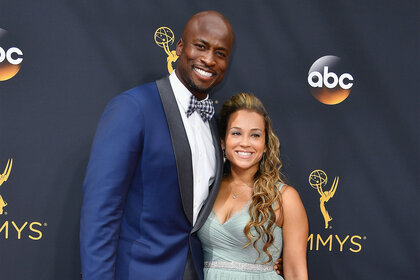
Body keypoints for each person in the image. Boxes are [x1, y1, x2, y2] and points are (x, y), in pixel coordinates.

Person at [80, 11, 234, 280]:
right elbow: (99, 214)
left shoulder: (213, 122)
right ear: (180, 47)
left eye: (220, 53)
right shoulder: (133, 108)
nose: (209, 60)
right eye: (201, 46)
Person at [197, 93, 309, 279]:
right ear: (223, 141)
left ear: (265, 145)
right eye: (236, 133)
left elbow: (296, 273)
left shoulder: (284, 197)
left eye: (255, 135)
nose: (245, 143)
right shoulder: (206, 189)